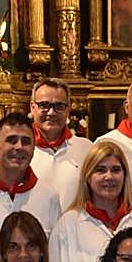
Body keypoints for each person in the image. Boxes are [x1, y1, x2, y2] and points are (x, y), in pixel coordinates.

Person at [50, 140, 132, 262]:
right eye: (100, 170)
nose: (109, 177)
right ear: (88, 177)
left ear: (125, 176)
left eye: (116, 170)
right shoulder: (68, 224)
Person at [0, 112, 61, 238]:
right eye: (11, 140)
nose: (19, 147)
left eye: (26, 142)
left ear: (33, 149)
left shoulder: (49, 197)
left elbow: (53, 253)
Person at [29, 77, 94, 207]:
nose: (51, 112)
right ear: (32, 107)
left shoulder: (87, 149)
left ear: (68, 109)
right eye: (44, 105)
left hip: (75, 226)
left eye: (59, 106)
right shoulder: (20, 151)